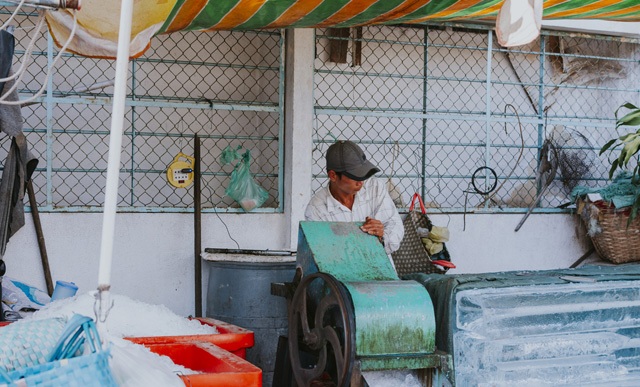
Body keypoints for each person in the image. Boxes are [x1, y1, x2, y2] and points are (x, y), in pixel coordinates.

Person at [304, 140, 404, 262]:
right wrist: (365, 241)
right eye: (355, 176)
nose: (360, 181)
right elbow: (324, 254)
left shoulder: (375, 188)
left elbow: (396, 226)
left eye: (363, 174)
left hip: (381, 271)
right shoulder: (316, 209)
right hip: (341, 275)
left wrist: (382, 238)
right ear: (333, 176)